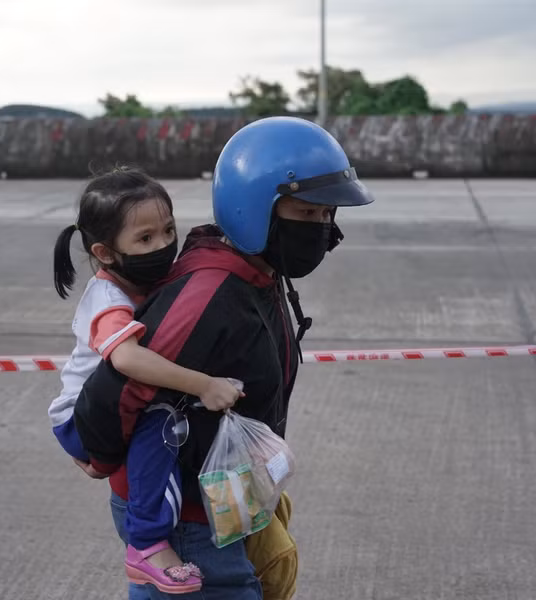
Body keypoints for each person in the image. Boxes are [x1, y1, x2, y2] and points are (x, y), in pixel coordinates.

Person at [71, 116, 375, 599]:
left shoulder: (258, 271)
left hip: (223, 504)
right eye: (308, 214)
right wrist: (98, 455)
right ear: (258, 208)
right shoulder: (211, 290)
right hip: (187, 528)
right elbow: (115, 387)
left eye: (327, 216)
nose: (323, 230)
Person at [47, 166, 243, 594]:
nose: (164, 246)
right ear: (105, 252)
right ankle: (147, 542)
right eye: (146, 239)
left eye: (169, 231)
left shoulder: (141, 280)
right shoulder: (108, 298)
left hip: (106, 410)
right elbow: (129, 360)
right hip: (80, 420)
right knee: (160, 419)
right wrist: (204, 384)